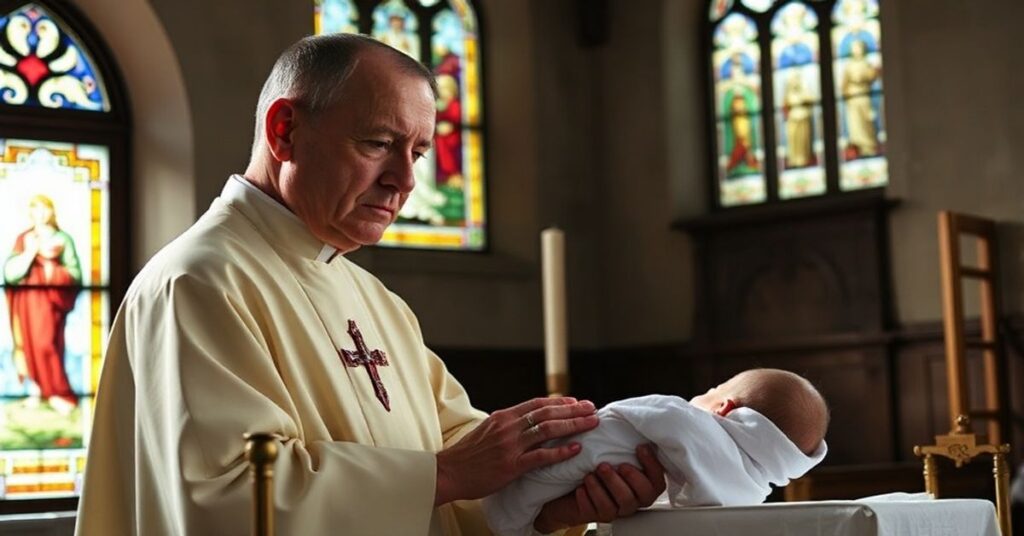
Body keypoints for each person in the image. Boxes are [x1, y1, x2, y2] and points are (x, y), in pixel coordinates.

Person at [75, 34, 665, 536]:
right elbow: (227, 498)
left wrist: (548, 503)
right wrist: (446, 474)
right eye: (378, 144)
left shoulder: (376, 302)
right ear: (284, 131)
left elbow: (464, 459)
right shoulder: (200, 281)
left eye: (418, 152)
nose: (404, 180)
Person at [483, 369, 829, 536]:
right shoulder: (750, 491)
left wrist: (606, 416)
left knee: (538, 474)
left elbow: (636, 412)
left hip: (584, 453)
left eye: (713, 390)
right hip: (607, 485)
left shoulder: (687, 419)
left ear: (723, 407)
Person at [3, 194, 81, 414]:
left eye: (45, 209)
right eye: (36, 209)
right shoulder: (24, 239)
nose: (41, 214)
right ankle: (37, 390)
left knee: (47, 344)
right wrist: (30, 254)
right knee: (26, 346)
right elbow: (10, 273)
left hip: (50, 303)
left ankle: (57, 392)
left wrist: (51, 271)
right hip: (26, 303)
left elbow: (75, 275)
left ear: (52, 211)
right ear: (30, 213)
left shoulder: (63, 239)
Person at [840, 38, 880, 159]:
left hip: (864, 94)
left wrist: (873, 72)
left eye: (858, 47)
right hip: (853, 96)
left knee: (866, 120)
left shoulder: (867, 64)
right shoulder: (849, 66)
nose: (856, 50)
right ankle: (859, 146)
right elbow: (844, 84)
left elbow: (872, 77)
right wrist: (846, 93)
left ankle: (868, 146)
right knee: (855, 123)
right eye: (854, 48)